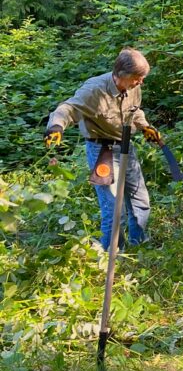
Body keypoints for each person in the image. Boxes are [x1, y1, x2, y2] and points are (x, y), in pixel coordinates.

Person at [45, 48, 161, 251]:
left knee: (140, 200)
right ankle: (112, 253)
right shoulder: (94, 90)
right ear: (122, 75)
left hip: (126, 146)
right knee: (114, 208)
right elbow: (69, 108)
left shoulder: (133, 86)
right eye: (137, 78)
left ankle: (139, 245)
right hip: (102, 151)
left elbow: (135, 111)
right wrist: (56, 126)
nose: (140, 82)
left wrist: (145, 127)